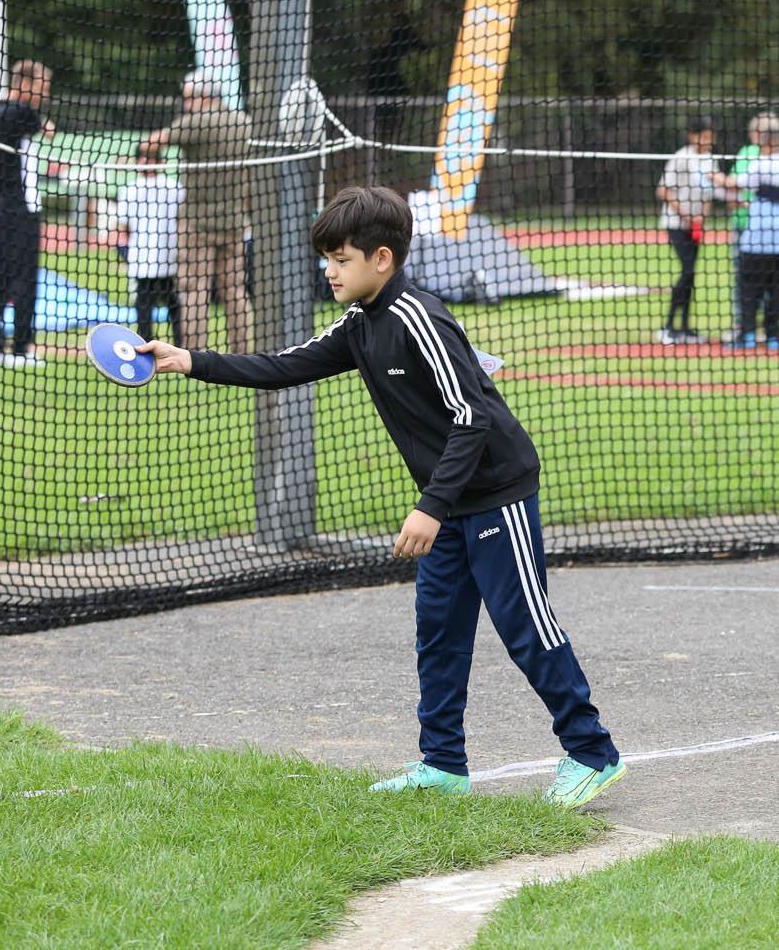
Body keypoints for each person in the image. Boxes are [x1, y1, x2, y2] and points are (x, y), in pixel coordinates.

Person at [135, 186, 626, 808]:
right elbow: (288, 365)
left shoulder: (419, 318)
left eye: (340, 259)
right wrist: (191, 359)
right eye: (328, 259)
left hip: (496, 493)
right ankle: (443, 765)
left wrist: (430, 507)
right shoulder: (361, 322)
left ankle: (591, 752)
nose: (329, 270)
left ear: (382, 259)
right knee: (439, 631)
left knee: (524, 626)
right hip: (448, 501)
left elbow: (471, 416)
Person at [147, 69, 254, 353]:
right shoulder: (243, 123)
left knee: (195, 291)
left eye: (188, 98)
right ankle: (243, 352)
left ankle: (193, 354)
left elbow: (152, 143)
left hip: (197, 224)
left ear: (202, 97)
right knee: (235, 292)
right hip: (233, 222)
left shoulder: (196, 123)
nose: (186, 104)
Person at [0, 59, 54, 368]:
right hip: (16, 209)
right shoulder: (19, 111)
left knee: (0, 278)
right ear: (26, 83)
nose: (44, 94)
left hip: (5, 207)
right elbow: (48, 129)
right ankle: (21, 348)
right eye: (42, 87)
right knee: (21, 280)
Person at [712, 132, 779, 349]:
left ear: (768, 147)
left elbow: (734, 185)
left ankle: (748, 335)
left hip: (757, 239)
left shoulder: (761, 164)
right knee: (778, 290)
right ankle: (772, 337)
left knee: (749, 288)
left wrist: (714, 175)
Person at [655, 116, 718, 344]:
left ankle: (685, 327)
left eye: (710, 138)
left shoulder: (710, 160)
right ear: (693, 136)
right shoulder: (681, 158)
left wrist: (701, 216)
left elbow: (709, 193)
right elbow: (663, 190)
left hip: (696, 226)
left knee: (691, 275)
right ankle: (668, 326)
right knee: (688, 270)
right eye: (704, 137)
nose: (708, 142)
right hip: (676, 224)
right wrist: (685, 215)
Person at [115, 140, 185, 345]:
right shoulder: (173, 188)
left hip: (155, 260)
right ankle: (176, 346)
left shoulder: (132, 190)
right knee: (169, 307)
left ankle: (155, 347)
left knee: (154, 308)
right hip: (157, 260)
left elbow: (123, 229)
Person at [725, 111, 779, 340]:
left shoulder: (748, 153)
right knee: (770, 279)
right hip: (773, 228)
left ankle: (743, 327)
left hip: (747, 225)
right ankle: (767, 329)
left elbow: (733, 186)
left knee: (743, 278)